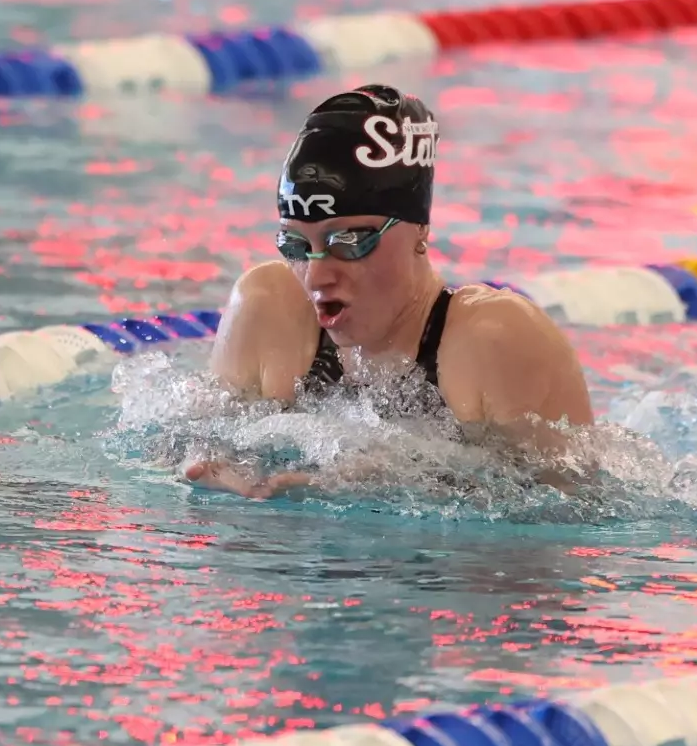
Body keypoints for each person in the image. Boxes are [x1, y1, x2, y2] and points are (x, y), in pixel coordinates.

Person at [184, 84, 596, 499]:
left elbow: (575, 508)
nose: (315, 276)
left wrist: (397, 485)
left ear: (419, 230)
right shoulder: (267, 306)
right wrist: (207, 466)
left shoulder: (494, 337)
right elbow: (176, 442)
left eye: (348, 241)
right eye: (296, 247)